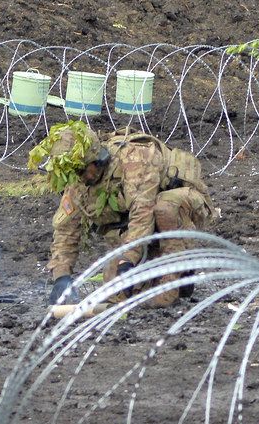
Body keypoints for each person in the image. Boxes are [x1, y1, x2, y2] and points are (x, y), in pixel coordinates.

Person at [31, 120, 213, 307]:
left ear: (96, 159)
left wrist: (127, 260)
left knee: (164, 209)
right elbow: (66, 228)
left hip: (179, 209)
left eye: (81, 170)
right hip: (141, 230)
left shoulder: (134, 160)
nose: (79, 178)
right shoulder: (79, 181)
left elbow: (142, 215)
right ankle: (160, 267)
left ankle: (176, 275)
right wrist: (62, 276)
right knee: (117, 295)